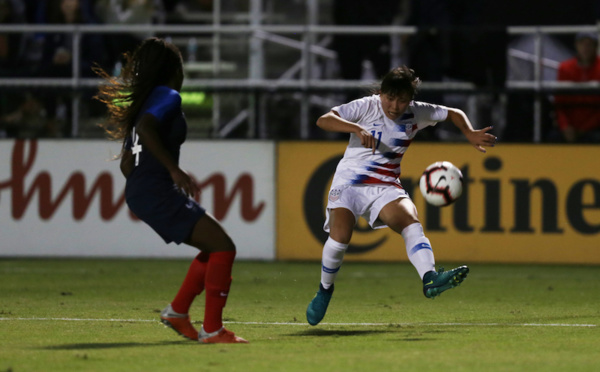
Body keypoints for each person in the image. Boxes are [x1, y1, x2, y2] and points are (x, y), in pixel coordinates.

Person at [305, 66, 497, 326]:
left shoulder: (417, 112)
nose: (395, 105)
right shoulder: (366, 106)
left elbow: (453, 113)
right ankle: (325, 290)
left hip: (385, 185)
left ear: (410, 99)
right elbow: (324, 119)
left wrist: (469, 132)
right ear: (381, 93)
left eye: (402, 99)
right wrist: (356, 128)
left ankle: (429, 278)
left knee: (410, 221)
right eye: (390, 98)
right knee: (340, 239)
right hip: (350, 182)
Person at [93, 37, 247, 344]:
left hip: (142, 190)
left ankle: (177, 313)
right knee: (224, 247)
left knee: (214, 246)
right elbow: (148, 130)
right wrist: (172, 170)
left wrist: (146, 181)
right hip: (154, 189)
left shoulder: (146, 101)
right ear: (173, 69)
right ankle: (213, 330)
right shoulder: (168, 95)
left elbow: (127, 163)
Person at [552, 31, 600, 143]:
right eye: (582, 43)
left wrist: (584, 129)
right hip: (569, 128)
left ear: (595, 47)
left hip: (593, 128)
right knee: (552, 138)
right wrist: (565, 126)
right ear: (576, 45)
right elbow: (559, 103)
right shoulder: (565, 68)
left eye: (589, 44)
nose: (585, 48)